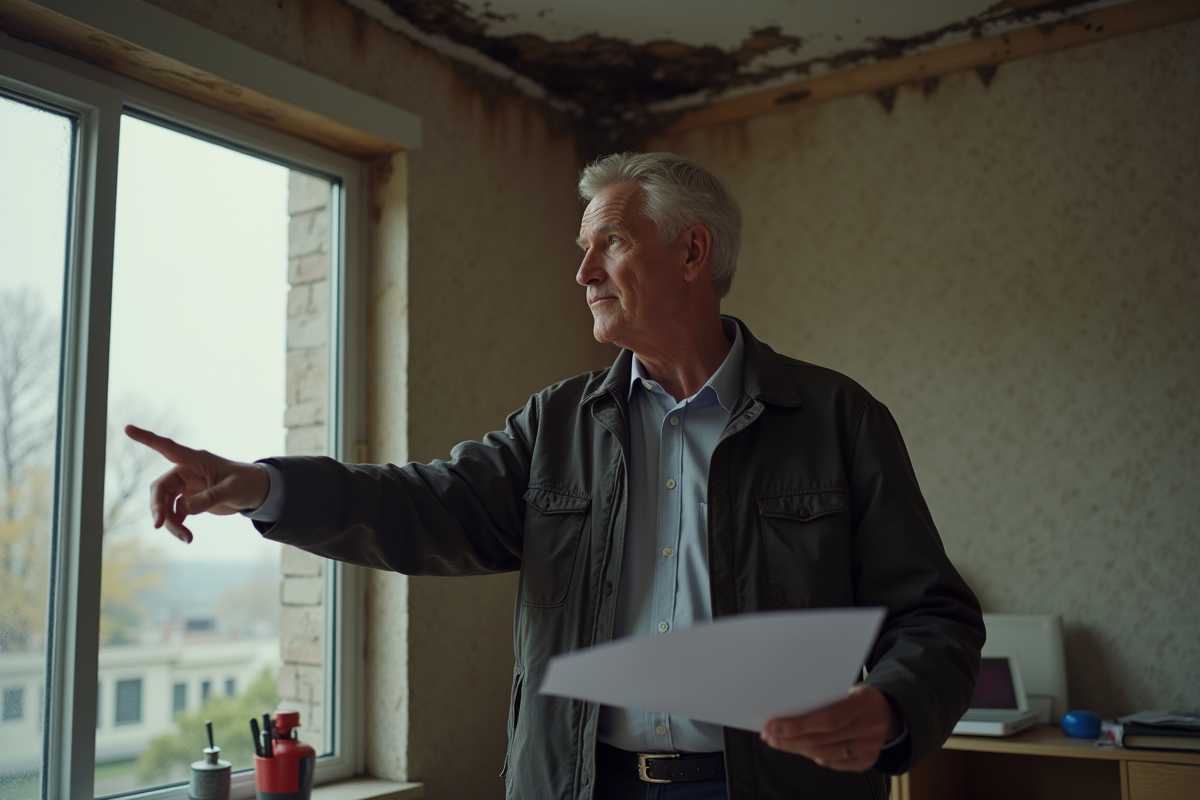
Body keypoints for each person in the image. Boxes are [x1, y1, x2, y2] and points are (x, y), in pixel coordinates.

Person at [128, 152, 984, 799]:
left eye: (608, 243)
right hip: (580, 783)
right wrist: (259, 487)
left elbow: (935, 617)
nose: (581, 274)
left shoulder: (840, 421)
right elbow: (424, 504)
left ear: (692, 252)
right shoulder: (558, 423)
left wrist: (894, 709)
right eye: (582, 249)